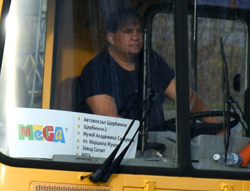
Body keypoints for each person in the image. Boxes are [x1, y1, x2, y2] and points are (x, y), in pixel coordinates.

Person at [79, 8, 215, 128]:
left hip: (158, 143)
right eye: (128, 31)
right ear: (111, 37)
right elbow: (110, 120)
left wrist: (217, 126)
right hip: (124, 147)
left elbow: (187, 97)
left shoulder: (151, 60)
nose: (136, 37)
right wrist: (142, 139)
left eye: (139, 31)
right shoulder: (96, 70)